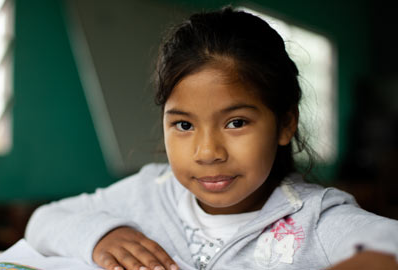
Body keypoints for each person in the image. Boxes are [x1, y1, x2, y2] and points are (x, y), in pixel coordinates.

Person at [24, 7, 398, 270]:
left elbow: (387, 244)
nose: (207, 152)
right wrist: (103, 235)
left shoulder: (314, 219)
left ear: (285, 124)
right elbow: (44, 220)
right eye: (184, 126)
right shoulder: (150, 193)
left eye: (235, 122)